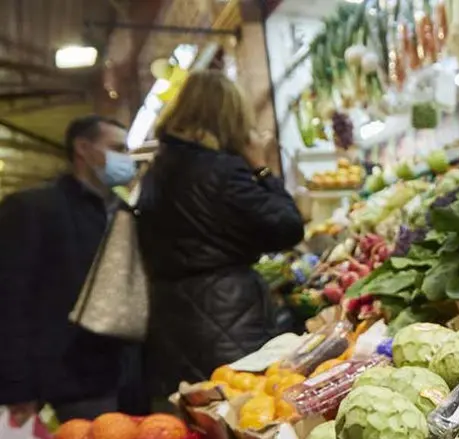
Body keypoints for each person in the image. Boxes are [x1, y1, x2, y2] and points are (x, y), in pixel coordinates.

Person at [137, 70, 304, 401]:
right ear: (230, 118)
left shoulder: (156, 171)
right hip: (227, 316)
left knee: (195, 421)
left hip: (167, 320)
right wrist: (261, 167)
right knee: (241, 413)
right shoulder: (222, 171)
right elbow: (287, 226)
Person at [0, 115, 139, 420]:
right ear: (83, 148)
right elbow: (10, 300)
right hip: (69, 379)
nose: (126, 159)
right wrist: (17, 386)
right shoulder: (32, 208)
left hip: (128, 375)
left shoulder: (125, 213)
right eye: (117, 148)